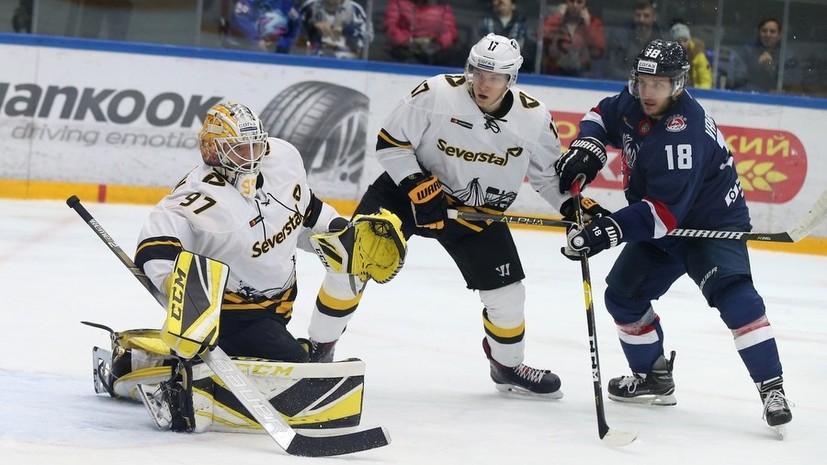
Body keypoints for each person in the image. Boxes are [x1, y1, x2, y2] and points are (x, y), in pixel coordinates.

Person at [304, 33, 610, 398]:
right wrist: (416, 182)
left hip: (476, 214)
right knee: (350, 262)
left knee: (508, 296)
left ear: (511, 79)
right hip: (406, 196)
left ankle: (507, 365)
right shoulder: (437, 93)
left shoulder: (533, 118)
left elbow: (547, 177)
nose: (483, 83)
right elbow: (390, 143)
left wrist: (574, 207)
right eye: (478, 72)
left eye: (494, 77)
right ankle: (317, 353)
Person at [555, 39, 793, 432]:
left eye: (659, 84)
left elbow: (662, 215)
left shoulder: (684, 134)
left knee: (735, 296)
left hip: (711, 226)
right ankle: (653, 377)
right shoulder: (635, 101)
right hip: (664, 223)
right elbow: (601, 114)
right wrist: (589, 145)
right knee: (623, 298)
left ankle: (772, 387)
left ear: (678, 85)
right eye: (643, 81)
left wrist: (605, 232)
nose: (648, 92)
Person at [135, 101, 404, 364]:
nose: (252, 155)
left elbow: (305, 208)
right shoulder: (197, 198)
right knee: (293, 365)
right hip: (234, 313)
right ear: (212, 151)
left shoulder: (283, 158)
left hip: (281, 303)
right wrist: (180, 289)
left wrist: (340, 232)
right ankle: (140, 363)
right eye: (240, 149)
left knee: (351, 258)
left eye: (256, 145)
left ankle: (322, 351)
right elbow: (153, 249)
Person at [603, 0, 665, 81]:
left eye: (646, 16)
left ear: (654, 17)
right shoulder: (619, 37)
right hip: (622, 84)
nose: (641, 20)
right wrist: (637, 79)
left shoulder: (664, 40)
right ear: (633, 15)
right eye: (638, 15)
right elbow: (610, 68)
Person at [384, 0, 459, 66]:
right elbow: (390, 26)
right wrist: (406, 42)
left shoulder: (442, 5)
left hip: (434, 54)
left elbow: (451, 31)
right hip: (404, 52)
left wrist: (437, 45)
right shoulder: (398, 2)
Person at [541, 0, 605, 77]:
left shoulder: (594, 23)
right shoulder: (554, 20)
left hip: (583, 74)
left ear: (584, 5)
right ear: (565, 3)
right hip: (554, 72)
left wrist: (588, 25)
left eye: (579, 2)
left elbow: (599, 50)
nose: (575, 6)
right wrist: (557, 16)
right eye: (571, 1)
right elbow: (539, 37)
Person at [475, 0, 536, 72]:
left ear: (513, 5)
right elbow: (475, 50)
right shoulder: (483, 25)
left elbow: (530, 55)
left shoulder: (523, 28)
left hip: (518, 74)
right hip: (486, 72)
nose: (500, 1)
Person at [220, 0, 301, 53]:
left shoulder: (288, 4)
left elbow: (294, 28)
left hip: (272, 57)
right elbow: (240, 17)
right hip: (240, 50)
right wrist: (257, 41)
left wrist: (281, 48)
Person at [742, 18, 798, 93]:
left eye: (772, 32)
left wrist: (770, 68)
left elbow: (788, 84)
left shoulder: (788, 56)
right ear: (758, 33)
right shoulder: (748, 51)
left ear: (779, 35)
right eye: (764, 31)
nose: (768, 35)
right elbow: (741, 77)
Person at [299, 0, 371, 59]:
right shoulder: (309, 6)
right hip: (314, 59)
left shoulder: (355, 10)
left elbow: (368, 36)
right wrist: (313, 25)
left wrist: (345, 30)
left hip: (345, 61)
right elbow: (297, 34)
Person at [669, 21, 712, 88]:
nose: (682, 44)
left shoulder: (699, 57)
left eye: (685, 40)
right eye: (679, 41)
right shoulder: (670, 58)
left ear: (689, 40)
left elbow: (706, 83)